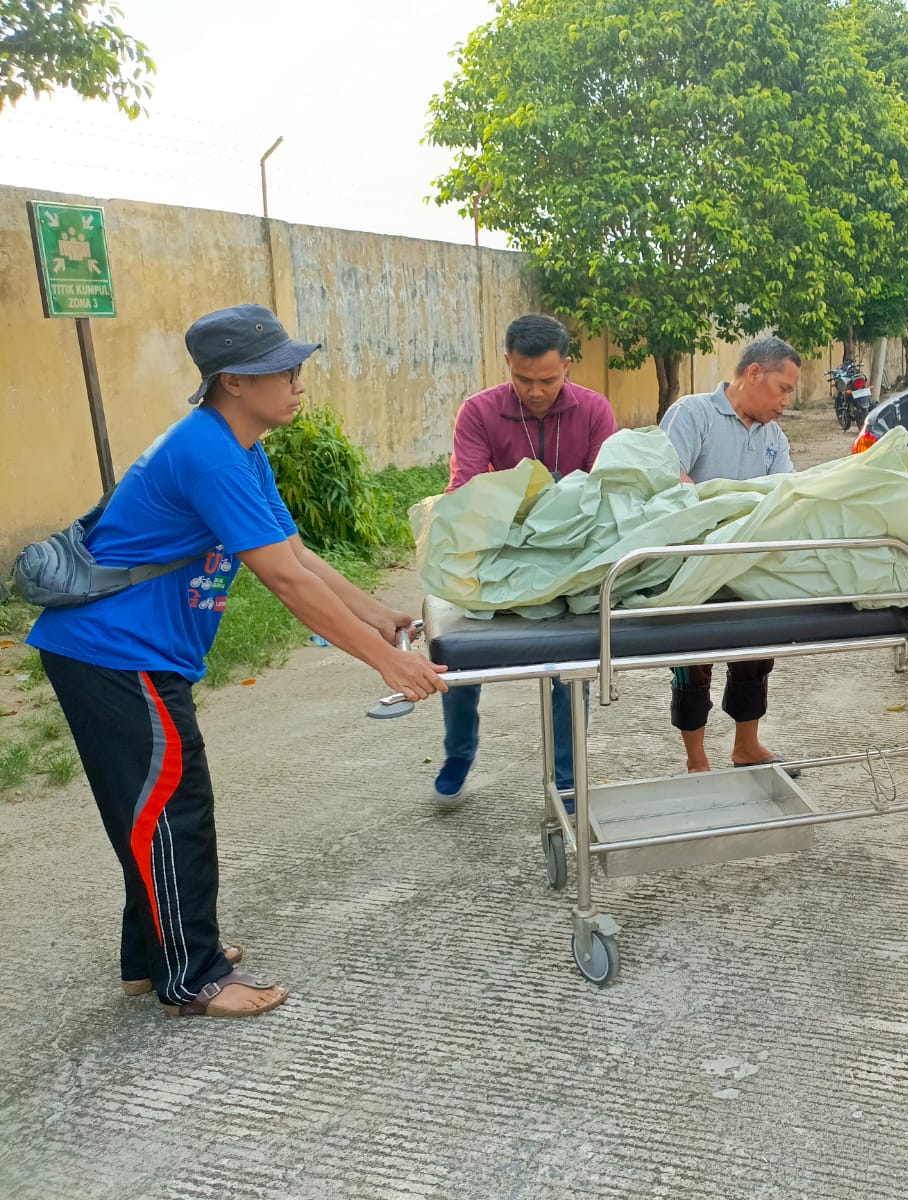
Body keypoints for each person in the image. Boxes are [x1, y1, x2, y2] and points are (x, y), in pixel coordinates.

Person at [27, 304, 446, 1018]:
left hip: (132, 654)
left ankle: (151, 958)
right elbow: (281, 582)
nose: (297, 382)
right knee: (169, 811)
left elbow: (295, 555)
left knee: (153, 809)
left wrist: (376, 614)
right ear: (234, 381)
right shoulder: (210, 454)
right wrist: (384, 661)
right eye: (283, 370)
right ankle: (191, 979)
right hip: (115, 656)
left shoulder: (238, 448)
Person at [432, 314, 618, 804]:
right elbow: (465, 490)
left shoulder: (596, 410)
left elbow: (606, 492)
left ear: (568, 368)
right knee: (459, 658)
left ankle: (566, 777)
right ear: (507, 364)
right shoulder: (478, 411)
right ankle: (459, 752)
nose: (535, 392)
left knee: (571, 669)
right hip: (496, 552)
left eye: (548, 380)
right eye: (523, 379)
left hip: (571, 556)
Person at [659, 337, 799, 775]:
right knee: (693, 663)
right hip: (695, 567)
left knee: (756, 655)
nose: (785, 402)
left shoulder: (774, 436)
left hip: (749, 565)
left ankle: (746, 746)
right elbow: (669, 475)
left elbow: (786, 494)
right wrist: (722, 518)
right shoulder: (692, 413)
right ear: (753, 373)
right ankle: (697, 760)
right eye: (782, 388)